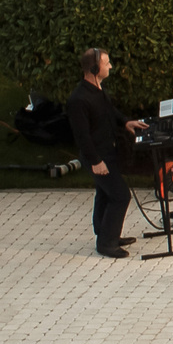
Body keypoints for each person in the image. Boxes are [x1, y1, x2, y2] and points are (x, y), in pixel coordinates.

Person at [64, 47, 146, 258]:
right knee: (120, 195)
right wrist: (96, 161)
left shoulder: (97, 90)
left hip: (108, 151)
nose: (110, 66)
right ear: (94, 68)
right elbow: (82, 136)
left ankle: (106, 233)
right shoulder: (79, 100)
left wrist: (125, 122)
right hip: (98, 156)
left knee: (105, 193)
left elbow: (109, 111)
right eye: (106, 63)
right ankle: (107, 244)